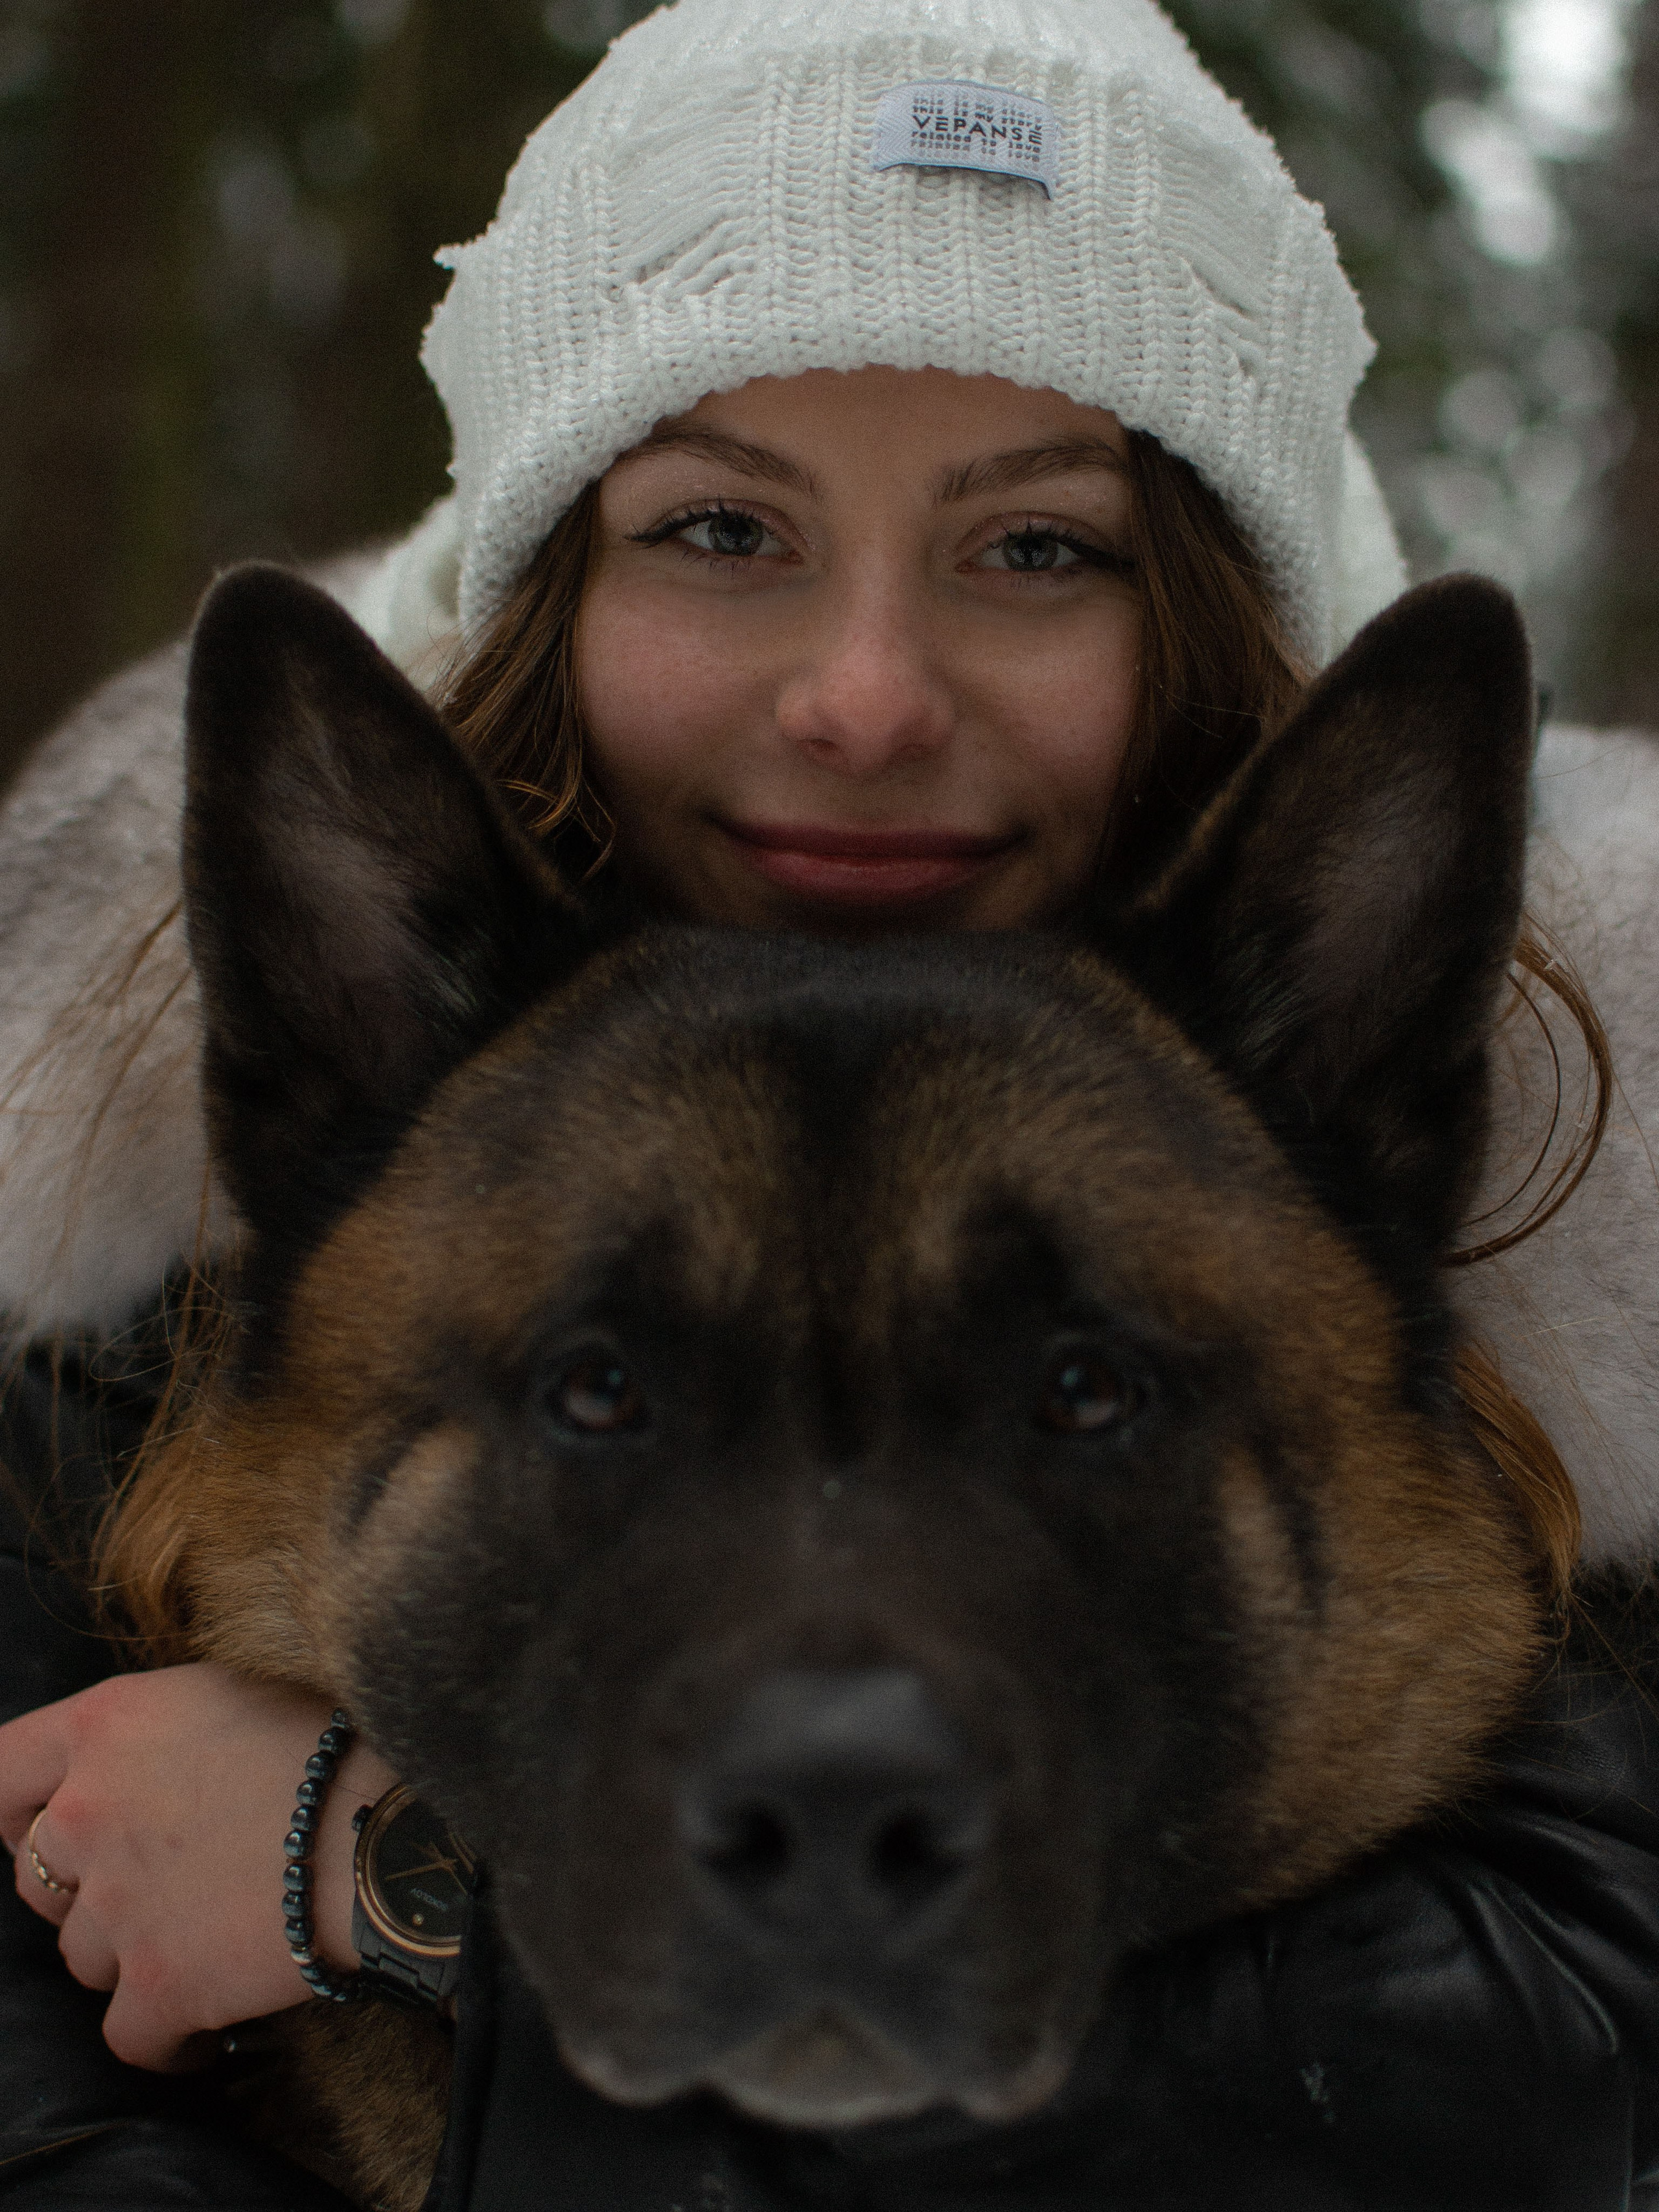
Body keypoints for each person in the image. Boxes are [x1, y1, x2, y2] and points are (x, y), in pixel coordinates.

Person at [0, 0, 1656, 2205]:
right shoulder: (100, 1310)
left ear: (1211, 614)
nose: (865, 698)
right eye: (720, 526)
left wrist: (378, 1881)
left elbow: (1545, 2051)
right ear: (543, 581)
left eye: (1039, 546)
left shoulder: (1572, 1262)